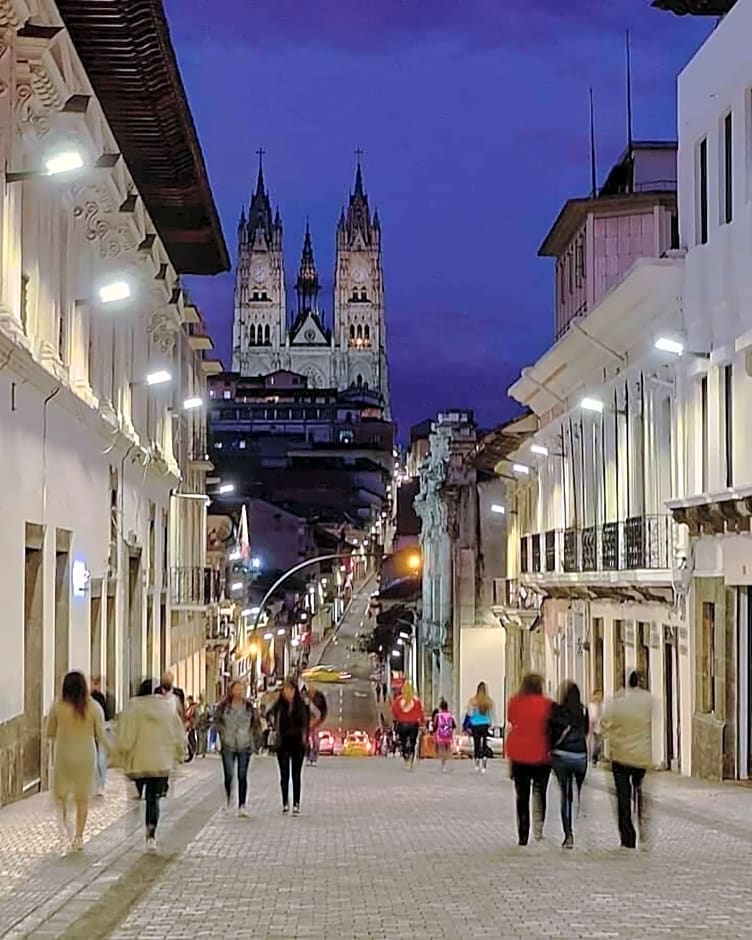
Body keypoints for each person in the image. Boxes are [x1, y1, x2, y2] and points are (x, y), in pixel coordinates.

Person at [112, 678, 184, 852]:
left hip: (139, 762)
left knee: (137, 796)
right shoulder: (168, 708)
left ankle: (131, 826)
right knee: (153, 799)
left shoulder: (133, 708)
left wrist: (121, 752)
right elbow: (177, 733)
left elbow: (127, 736)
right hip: (160, 762)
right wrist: (179, 754)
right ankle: (150, 834)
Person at [46, 671, 107, 854]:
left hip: (63, 754)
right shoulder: (93, 707)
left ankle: (66, 829)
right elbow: (100, 733)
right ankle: (79, 837)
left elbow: (49, 731)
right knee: (82, 798)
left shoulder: (58, 706)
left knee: (62, 796)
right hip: (85, 756)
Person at [601, 670, 654, 850]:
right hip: (640, 756)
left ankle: (627, 836)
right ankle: (643, 830)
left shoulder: (616, 703)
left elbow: (604, 724)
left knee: (623, 797)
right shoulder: (648, 700)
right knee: (641, 793)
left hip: (621, 756)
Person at [505, 673, 552, 846]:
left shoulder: (514, 702)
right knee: (540, 793)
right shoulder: (547, 704)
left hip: (519, 752)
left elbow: (511, 719)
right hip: (541, 751)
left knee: (521, 796)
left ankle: (523, 834)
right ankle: (539, 829)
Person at [549, 681, 589, 849]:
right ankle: (579, 817)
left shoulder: (556, 711)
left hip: (562, 756)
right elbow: (586, 731)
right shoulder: (583, 710)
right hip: (580, 756)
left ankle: (568, 834)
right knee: (577, 793)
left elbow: (551, 732)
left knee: (566, 795)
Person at [266, 678, 311, 815]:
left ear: (295, 690)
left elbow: (306, 723)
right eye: (285, 689)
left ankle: (296, 803)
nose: (288, 692)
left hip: (297, 744)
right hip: (283, 743)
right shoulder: (279, 706)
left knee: (296, 775)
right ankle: (285, 802)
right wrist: (273, 725)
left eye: (290, 689)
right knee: (284, 774)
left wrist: (305, 737)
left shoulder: (301, 706)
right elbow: (268, 714)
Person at [214, 681, 259, 816]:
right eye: (237, 689)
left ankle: (242, 805)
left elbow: (255, 724)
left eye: (241, 689)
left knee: (242, 775)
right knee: (229, 774)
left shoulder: (249, 707)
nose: (239, 692)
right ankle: (228, 799)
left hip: (244, 744)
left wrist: (254, 740)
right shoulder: (224, 706)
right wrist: (222, 733)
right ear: (231, 690)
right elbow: (217, 720)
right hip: (228, 744)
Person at [390, 682, 425, 769]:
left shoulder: (398, 700)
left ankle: (405, 756)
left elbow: (394, 710)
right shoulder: (416, 700)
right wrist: (422, 723)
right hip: (413, 724)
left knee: (403, 741)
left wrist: (397, 718)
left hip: (402, 724)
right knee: (413, 742)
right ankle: (411, 761)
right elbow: (421, 713)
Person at [466, 682, 494, 774]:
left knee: (476, 744)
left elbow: (470, 713)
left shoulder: (473, 701)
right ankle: (484, 764)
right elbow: (491, 714)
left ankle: (477, 764)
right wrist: (491, 723)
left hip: (475, 724)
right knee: (484, 743)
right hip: (485, 724)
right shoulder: (488, 701)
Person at [306, 682, 328, 766]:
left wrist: (321, 720)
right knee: (306, 740)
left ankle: (314, 758)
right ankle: (308, 757)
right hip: (307, 721)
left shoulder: (319, 698)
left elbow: (324, 710)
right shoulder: (305, 697)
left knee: (315, 741)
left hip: (317, 721)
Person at [433, 699, 456, 773]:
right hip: (448, 734)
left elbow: (435, 725)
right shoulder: (451, 715)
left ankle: (443, 765)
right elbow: (454, 725)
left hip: (440, 734)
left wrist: (434, 732)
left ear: (440, 707)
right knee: (448, 749)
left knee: (442, 749)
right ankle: (448, 764)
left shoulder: (438, 715)